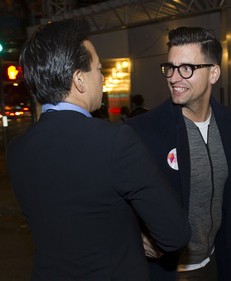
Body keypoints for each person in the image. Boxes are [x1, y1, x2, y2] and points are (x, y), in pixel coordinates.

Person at [6, 19, 190, 281]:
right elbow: (174, 234)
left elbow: (69, 218)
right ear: (79, 80)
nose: (103, 77)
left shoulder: (17, 150)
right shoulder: (114, 141)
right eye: (98, 69)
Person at [127, 26, 231, 281]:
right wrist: (134, 234)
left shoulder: (227, 121)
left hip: (215, 263)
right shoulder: (144, 130)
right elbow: (113, 198)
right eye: (170, 68)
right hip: (167, 272)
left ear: (214, 73)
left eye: (187, 68)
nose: (174, 77)